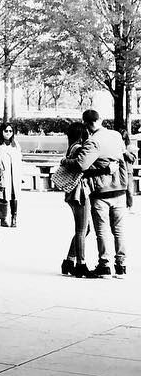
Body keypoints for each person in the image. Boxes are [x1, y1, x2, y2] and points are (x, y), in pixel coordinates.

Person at [63, 110, 128, 277]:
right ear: (101, 119)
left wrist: (64, 161)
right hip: (119, 188)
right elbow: (123, 156)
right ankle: (121, 266)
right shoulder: (116, 136)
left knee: (100, 231)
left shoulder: (93, 142)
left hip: (101, 190)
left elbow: (81, 165)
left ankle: (104, 265)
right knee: (119, 230)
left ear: (86, 123)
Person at [59, 122, 95, 277]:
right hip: (79, 191)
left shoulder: (71, 147)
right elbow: (84, 168)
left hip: (73, 191)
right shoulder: (79, 148)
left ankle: (69, 260)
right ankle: (81, 264)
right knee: (82, 229)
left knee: (84, 228)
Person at [0, 124, 23, 228]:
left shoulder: (15, 144)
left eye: (10, 131)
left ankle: (14, 218)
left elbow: (20, 159)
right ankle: (3, 218)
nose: (8, 133)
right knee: (3, 196)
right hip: (4, 174)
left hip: (15, 174)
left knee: (14, 195)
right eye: (6, 131)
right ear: (2, 131)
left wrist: (21, 175)